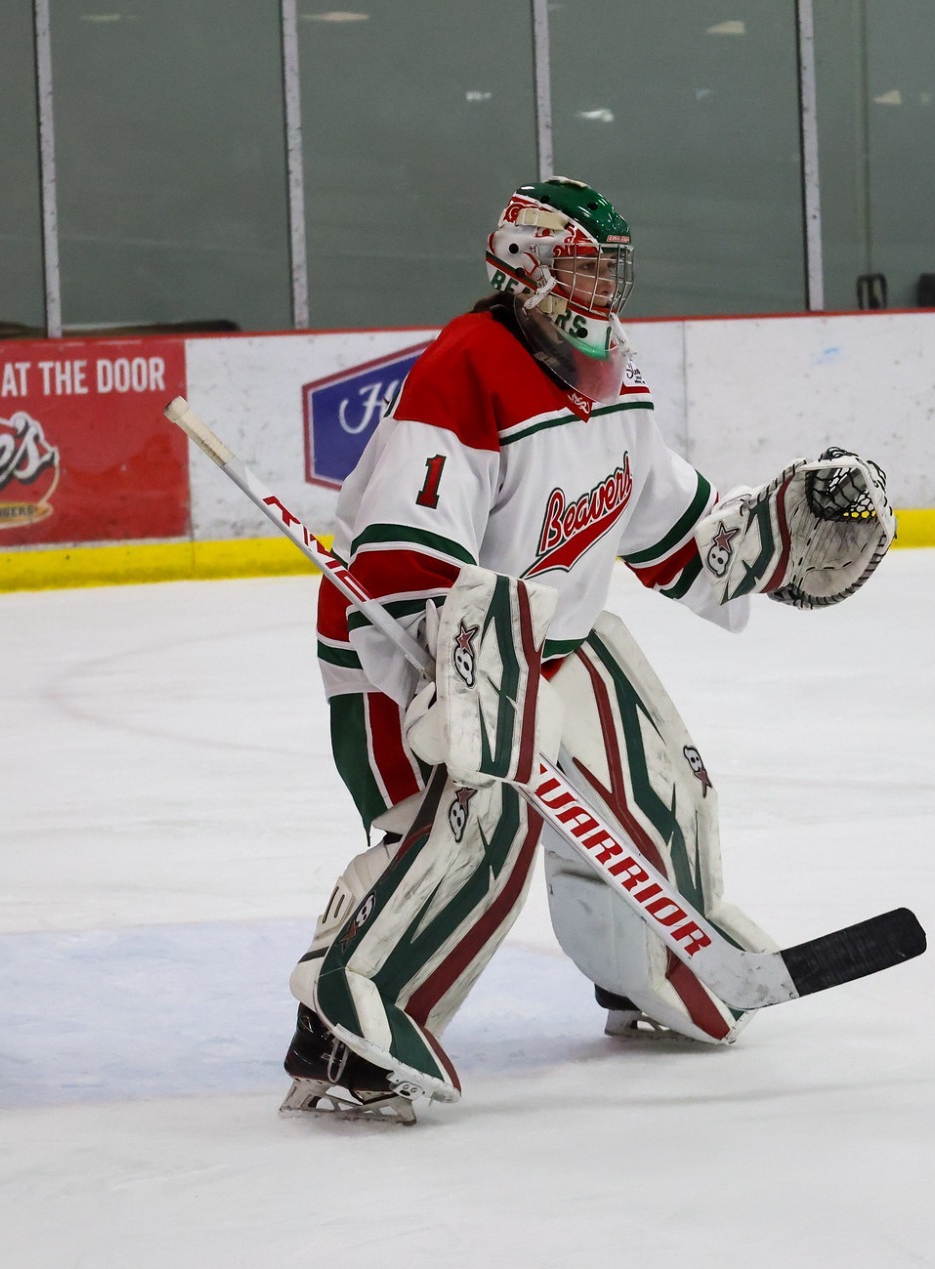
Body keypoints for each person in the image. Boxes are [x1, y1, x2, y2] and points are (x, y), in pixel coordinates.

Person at [280, 177, 896, 1123]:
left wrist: (772, 536)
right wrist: (462, 680)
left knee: (662, 789)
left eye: (610, 270)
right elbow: (401, 554)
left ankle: (649, 966)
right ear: (523, 264)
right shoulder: (467, 368)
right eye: (580, 268)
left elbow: (671, 531)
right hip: (406, 642)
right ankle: (351, 1011)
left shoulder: (616, 374)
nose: (601, 289)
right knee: (481, 826)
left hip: (546, 636)